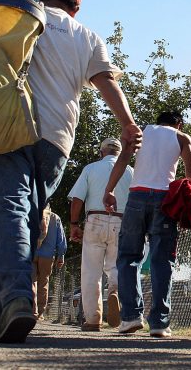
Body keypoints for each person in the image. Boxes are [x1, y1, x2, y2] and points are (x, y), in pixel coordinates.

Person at [0, 0, 142, 343]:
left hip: (8, 127)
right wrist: (128, 125)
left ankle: (18, 298)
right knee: (26, 216)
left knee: (4, 210)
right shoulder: (87, 36)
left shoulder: (24, 16)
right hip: (56, 139)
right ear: (76, 6)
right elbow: (107, 82)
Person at [104, 110, 191, 337]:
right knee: (161, 260)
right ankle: (159, 323)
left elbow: (123, 159)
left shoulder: (140, 131)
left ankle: (130, 318)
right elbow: (190, 172)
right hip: (165, 200)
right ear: (179, 124)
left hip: (136, 197)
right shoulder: (181, 138)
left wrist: (109, 190)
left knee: (128, 257)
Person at [68, 137, 133, 332]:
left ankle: (93, 319)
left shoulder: (91, 168)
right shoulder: (130, 171)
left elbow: (77, 198)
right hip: (122, 220)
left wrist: (74, 224)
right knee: (116, 265)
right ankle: (114, 290)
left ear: (101, 152)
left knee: (91, 271)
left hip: (95, 218)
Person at [32, 205, 67, 319]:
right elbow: (61, 239)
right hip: (47, 256)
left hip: (31, 253)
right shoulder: (55, 218)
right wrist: (61, 255)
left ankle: (32, 310)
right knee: (44, 283)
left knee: (31, 281)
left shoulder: (32, 214)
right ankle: (40, 312)